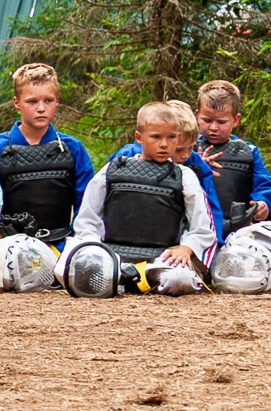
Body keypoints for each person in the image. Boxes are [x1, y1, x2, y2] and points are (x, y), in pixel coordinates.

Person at [63, 101, 215, 297]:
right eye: (156, 137)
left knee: (179, 278)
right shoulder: (113, 169)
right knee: (74, 266)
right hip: (113, 255)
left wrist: (187, 248)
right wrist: (96, 250)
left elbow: (201, 226)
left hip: (161, 257)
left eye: (171, 137)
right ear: (139, 137)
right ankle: (124, 277)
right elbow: (87, 219)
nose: (164, 144)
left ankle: (133, 281)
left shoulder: (185, 176)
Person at [0, 62, 92, 248]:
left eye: (48, 101)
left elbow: (87, 204)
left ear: (57, 101)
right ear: (17, 103)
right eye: (32, 101)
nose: (41, 108)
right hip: (7, 245)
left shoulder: (73, 149)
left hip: (62, 243)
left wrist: (77, 241)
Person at [195, 80, 268, 235]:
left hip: (236, 229)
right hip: (192, 228)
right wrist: (195, 164)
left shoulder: (249, 152)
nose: (213, 127)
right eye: (207, 120)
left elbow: (264, 185)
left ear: (236, 120)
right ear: (197, 116)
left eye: (221, 122)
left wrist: (264, 203)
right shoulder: (185, 148)